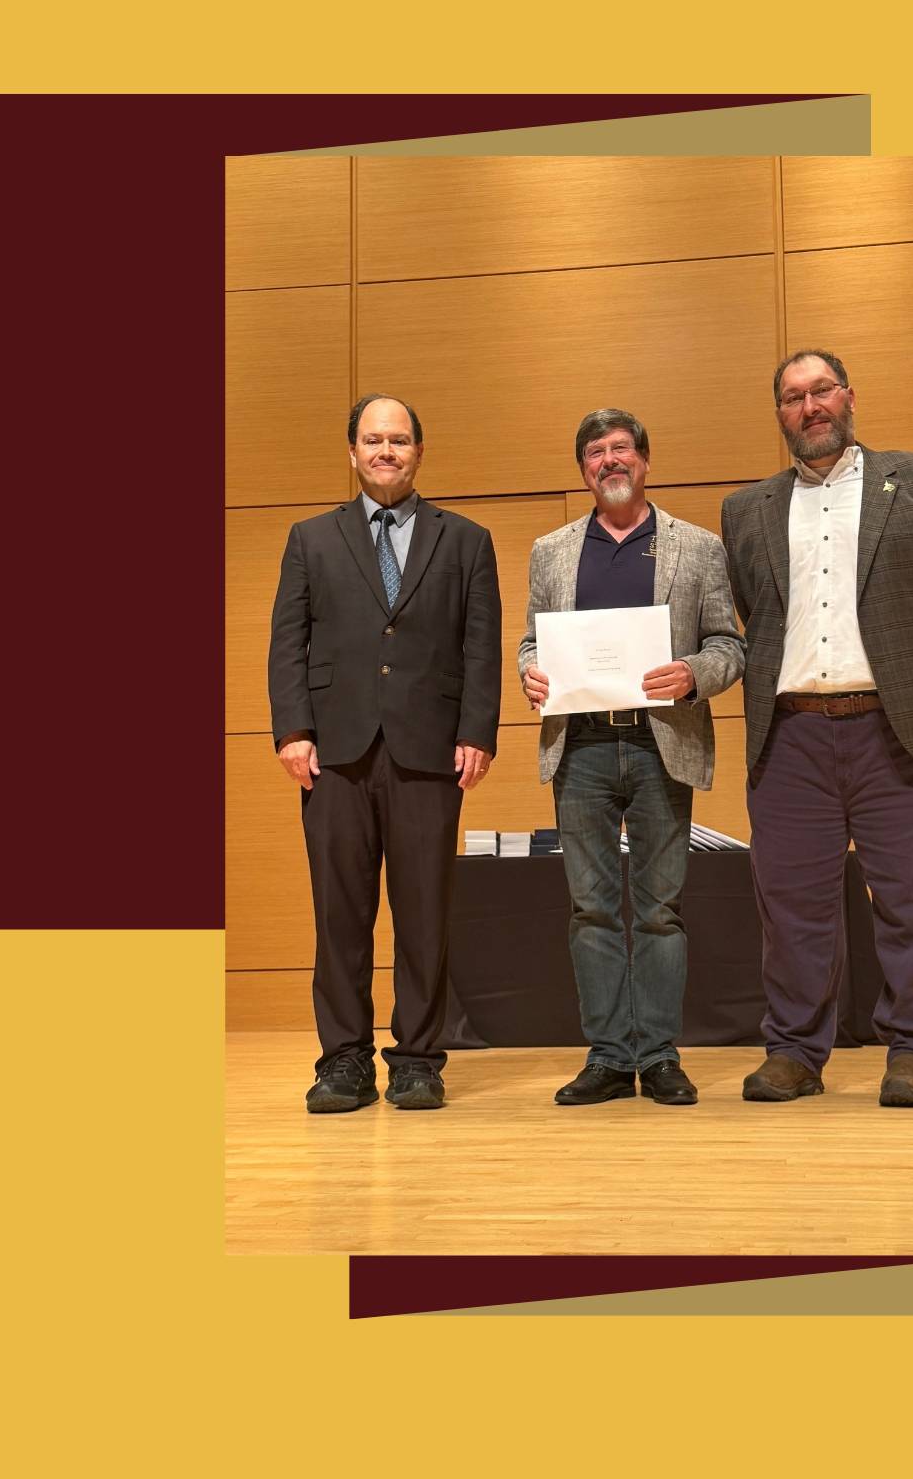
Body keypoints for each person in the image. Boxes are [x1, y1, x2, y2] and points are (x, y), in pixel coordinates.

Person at [720, 350, 913, 1107]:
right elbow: (755, 610)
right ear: (778, 413)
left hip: (901, 731)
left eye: (821, 391)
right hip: (792, 736)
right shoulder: (745, 510)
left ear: (849, 396)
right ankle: (795, 1052)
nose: (809, 407)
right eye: (791, 397)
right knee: (792, 907)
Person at [269, 393, 502, 1113]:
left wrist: (477, 731)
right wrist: (292, 730)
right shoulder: (310, 538)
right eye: (373, 440)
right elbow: (288, 643)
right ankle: (343, 1060)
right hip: (332, 752)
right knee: (340, 914)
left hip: (429, 751)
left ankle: (418, 1060)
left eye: (398, 440)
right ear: (352, 453)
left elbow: (480, 645)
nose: (386, 451)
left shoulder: (465, 540)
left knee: (423, 913)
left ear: (418, 452)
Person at [519, 408, 745, 1106]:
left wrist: (691, 675)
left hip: (660, 745)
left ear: (644, 461)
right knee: (590, 910)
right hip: (580, 747)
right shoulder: (551, 551)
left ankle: (661, 1054)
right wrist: (529, 671)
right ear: (584, 469)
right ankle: (610, 1057)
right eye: (595, 453)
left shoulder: (697, 547)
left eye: (621, 450)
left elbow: (729, 646)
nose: (609, 461)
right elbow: (532, 640)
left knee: (658, 912)